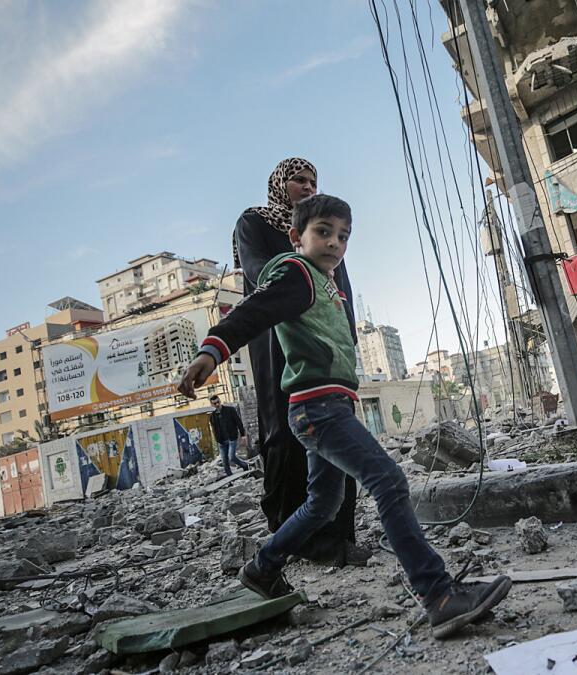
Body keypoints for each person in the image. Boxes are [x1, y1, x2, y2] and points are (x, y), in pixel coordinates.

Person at [181, 195, 512, 638]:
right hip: (316, 408)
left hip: (328, 405)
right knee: (390, 481)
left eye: (343, 236)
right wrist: (213, 350)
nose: (335, 243)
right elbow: (252, 312)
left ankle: (262, 568)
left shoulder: (325, 284)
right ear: (297, 237)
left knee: (324, 502)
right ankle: (439, 595)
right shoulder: (295, 273)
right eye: (323, 232)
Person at [233, 157, 365, 566]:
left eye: (313, 181)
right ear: (279, 184)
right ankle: (292, 537)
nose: (308, 187)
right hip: (277, 338)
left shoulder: (320, 233)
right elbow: (259, 273)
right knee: (285, 434)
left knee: (336, 430)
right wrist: (302, 291)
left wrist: (348, 334)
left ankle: (338, 537)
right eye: (299, 180)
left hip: (326, 341)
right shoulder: (255, 222)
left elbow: (341, 286)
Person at [209, 394, 249, 476]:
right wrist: (217, 440)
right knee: (225, 462)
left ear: (220, 401)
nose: (217, 404)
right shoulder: (212, 416)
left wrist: (243, 434)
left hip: (231, 438)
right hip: (221, 441)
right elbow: (214, 430)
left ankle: (244, 465)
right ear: (212, 404)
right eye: (214, 403)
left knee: (231, 457)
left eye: (218, 402)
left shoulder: (230, 410)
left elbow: (238, 422)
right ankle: (230, 479)